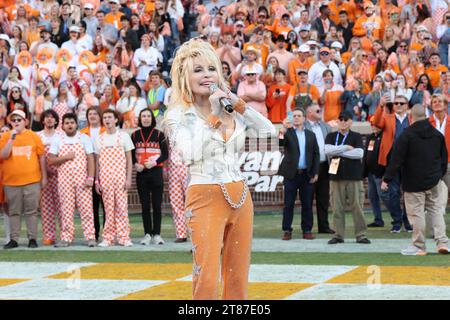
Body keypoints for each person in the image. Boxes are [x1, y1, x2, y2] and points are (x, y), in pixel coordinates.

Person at [164, 39, 275, 300]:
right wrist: (213, 118)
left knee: (237, 276)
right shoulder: (179, 115)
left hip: (240, 195)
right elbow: (190, 154)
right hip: (204, 195)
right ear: (184, 76)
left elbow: (269, 132)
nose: (206, 75)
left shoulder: (230, 109)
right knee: (207, 275)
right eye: (198, 70)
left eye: (211, 69)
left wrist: (240, 105)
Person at [382, 105, 449, 255]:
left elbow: (396, 160)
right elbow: (444, 160)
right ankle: (442, 242)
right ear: (426, 116)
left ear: (410, 117)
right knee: (436, 211)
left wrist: (387, 178)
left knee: (416, 214)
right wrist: (438, 176)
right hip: (433, 181)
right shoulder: (437, 135)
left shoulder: (406, 135)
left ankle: (419, 246)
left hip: (413, 182)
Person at [0, 110, 46, 249]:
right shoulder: (5, 136)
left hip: (32, 180)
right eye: (13, 120)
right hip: (11, 181)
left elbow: (41, 157)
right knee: (14, 211)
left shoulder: (34, 136)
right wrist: (11, 139)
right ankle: (14, 239)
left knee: (32, 211)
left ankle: (32, 238)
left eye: (19, 120)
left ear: (25, 121)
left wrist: (44, 176)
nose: (16, 122)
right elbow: (3, 155)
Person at [49, 113, 96, 248]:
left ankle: (90, 237)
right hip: (64, 180)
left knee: (86, 209)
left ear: (76, 124)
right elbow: (51, 159)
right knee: (66, 210)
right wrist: (66, 157)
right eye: (67, 123)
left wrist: (90, 177)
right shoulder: (58, 139)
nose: (69, 125)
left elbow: (91, 158)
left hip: (82, 180)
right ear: (62, 126)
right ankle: (66, 238)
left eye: (72, 122)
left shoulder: (84, 138)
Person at [324, 110, 370, 245]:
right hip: (335, 177)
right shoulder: (331, 136)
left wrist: (337, 151)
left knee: (357, 207)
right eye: (341, 119)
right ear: (337, 121)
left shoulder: (356, 136)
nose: (343, 122)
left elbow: (359, 153)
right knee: (337, 207)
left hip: (354, 177)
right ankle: (338, 235)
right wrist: (345, 148)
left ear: (351, 122)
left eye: (346, 119)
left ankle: (361, 235)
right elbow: (327, 150)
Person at [373, 94, 413, 233]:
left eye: (402, 103)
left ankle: (408, 221)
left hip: (410, 162)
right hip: (392, 162)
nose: (399, 105)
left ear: (407, 105)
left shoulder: (412, 119)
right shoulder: (387, 118)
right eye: (396, 103)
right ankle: (397, 221)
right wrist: (381, 105)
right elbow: (376, 123)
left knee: (409, 193)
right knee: (393, 193)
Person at [278, 108, 320, 240]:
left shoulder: (310, 135)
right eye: (294, 116)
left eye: (299, 116)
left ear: (304, 118)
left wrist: (315, 172)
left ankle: (307, 230)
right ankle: (287, 230)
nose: (296, 118)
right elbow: (280, 143)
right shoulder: (287, 132)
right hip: (291, 175)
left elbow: (316, 154)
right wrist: (282, 131)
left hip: (306, 175)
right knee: (288, 204)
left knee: (307, 204)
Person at [95, 109, 134, 247]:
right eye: (104, 117)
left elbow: (129, 159)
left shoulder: (123, 137)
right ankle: (108, 238)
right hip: (105, 179)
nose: (107, 120)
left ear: (116, 120)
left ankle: (124, 237)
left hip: (120, 178)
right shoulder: (99, 139)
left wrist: (129, 178)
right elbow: (97, 162)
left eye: (110, 117)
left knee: (122, 208)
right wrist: (96, 181)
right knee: (108, 208)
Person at [131, 108, 168, 245]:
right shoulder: (134, 135)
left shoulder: (159, 134)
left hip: (156, 172)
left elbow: (165, 154)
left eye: (148, 116)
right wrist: (136, 164)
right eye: (143, 116)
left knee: (157, 205)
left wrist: (155, 162)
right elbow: (131, 154)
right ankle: (147, 234)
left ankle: (157, 234)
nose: (146, 118)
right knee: (145, 206)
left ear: (152, 118)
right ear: (140, 119)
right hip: (141, 174)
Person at [304, 104, 334, 234]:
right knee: (308, 198)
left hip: (324, 165)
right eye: (317, 110)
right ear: (309, 112)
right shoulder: (303, 126)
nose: (320, 112)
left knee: (323, 198)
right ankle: (307, 227)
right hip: (309, 167)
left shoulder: (326, 126)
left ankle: (324, 226)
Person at [80, 107, 106, 241]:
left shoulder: (106, 131)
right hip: (88, 172)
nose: (92, 116)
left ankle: (108, 234)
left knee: (107, 206)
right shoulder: (82, 133)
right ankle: (94, 235)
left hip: (106, 171)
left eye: (95, 113)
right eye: (90, 114)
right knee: (92, 207)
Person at [37, 110, 61, 245]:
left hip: (60, 176)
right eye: (47, 117)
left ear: (57, 121)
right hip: (43, 175)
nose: (50, 119)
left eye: (52, 117)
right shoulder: (37, 136)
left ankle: (65, 234)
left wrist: (58, 170)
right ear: (43, 121)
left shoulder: (61, 136)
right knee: (46, 207)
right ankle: (49, 235)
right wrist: (45, 171)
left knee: (62, 206)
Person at [364, 116, 385, 227]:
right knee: (372, 196)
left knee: (384, 196)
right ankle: (378, 219)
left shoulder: (384, 136)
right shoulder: (370, 137)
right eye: (372, 124)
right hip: (370, 172)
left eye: (376, 124)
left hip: (380, 172)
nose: (374, 126)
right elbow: (366, 154)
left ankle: (398, 218)